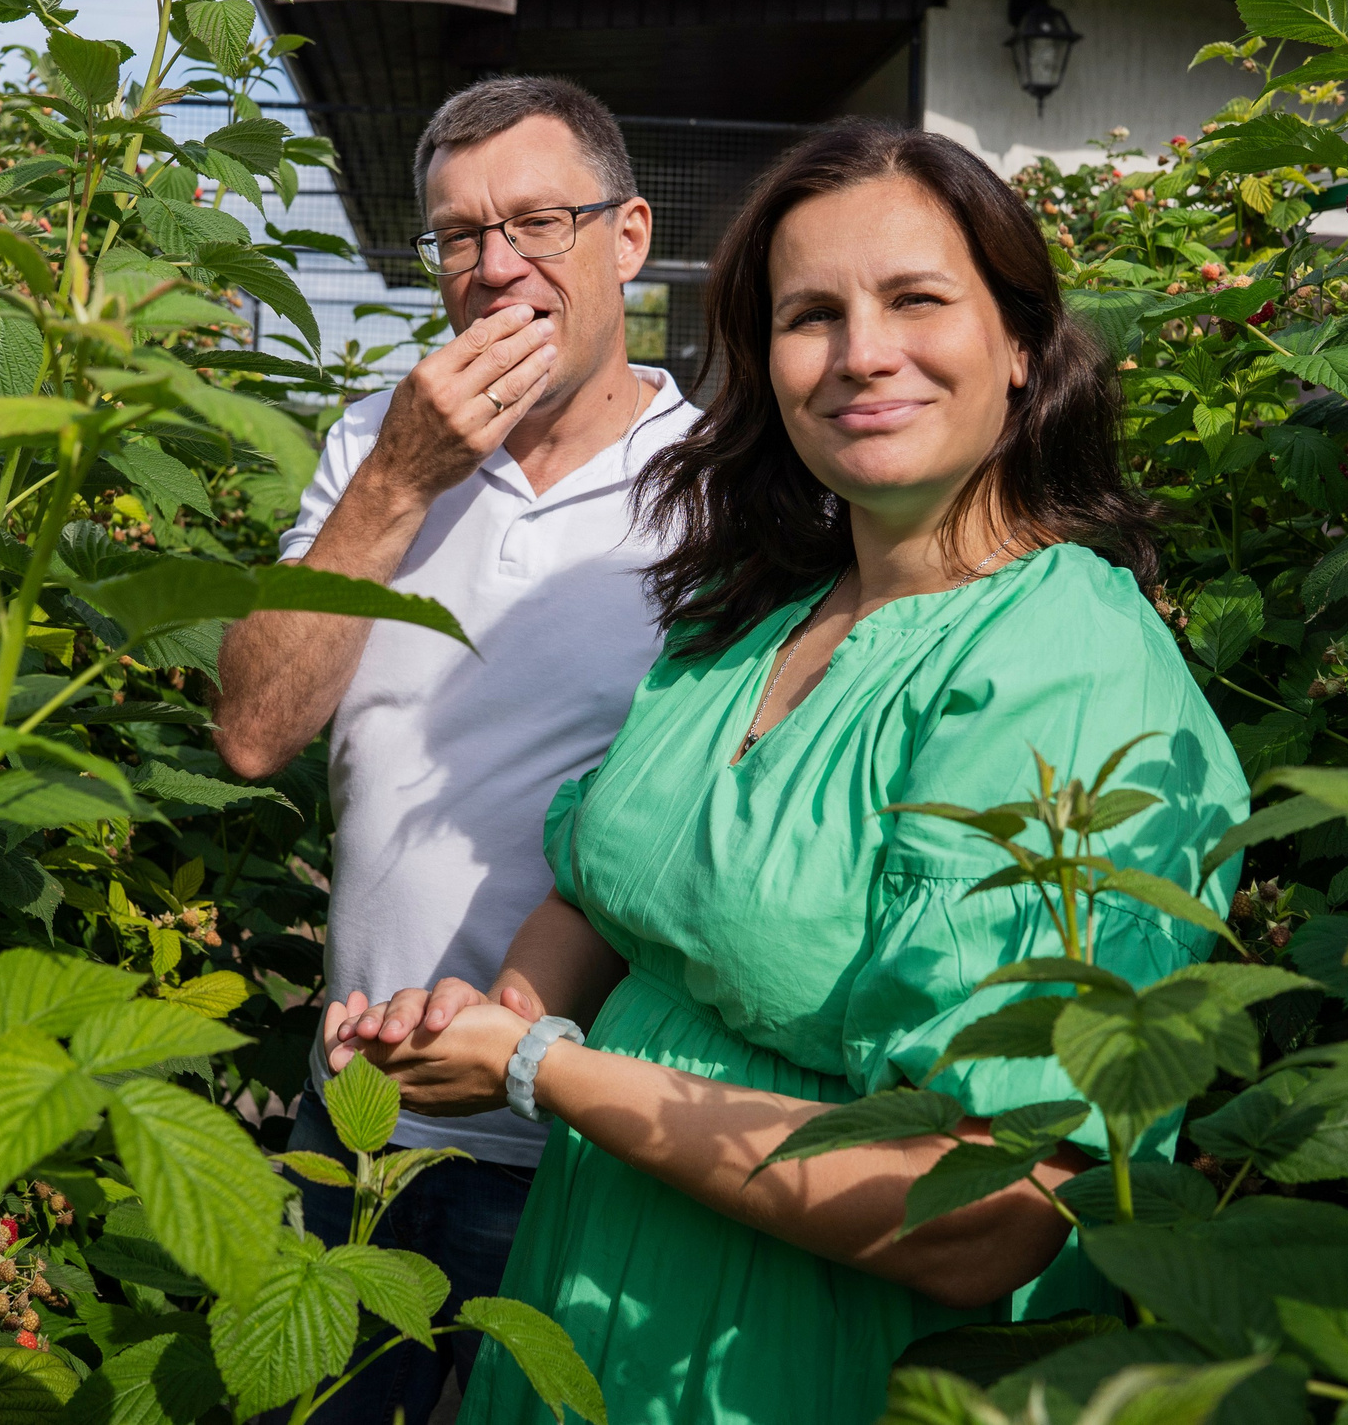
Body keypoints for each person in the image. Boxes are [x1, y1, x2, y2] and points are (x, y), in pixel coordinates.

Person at [325, 122, 1251, 1425]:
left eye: (918, 299)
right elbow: (605, 888)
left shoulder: (1063, 665)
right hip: (584, 1330)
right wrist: (480, 1022)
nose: (863, 352)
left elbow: (982, 1211)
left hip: (802, 1364)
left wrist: (542, 1066)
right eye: (809, 315)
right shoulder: (751, 616)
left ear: (1023, 343)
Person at [213, 76, 700, 1423]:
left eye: (538, 222)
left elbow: (691, 816)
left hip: (573, 1144)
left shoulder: (717, 486)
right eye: (456, 237)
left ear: (628, 236)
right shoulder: (379, 437)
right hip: (352, 1123)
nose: (495, 269)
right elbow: (255, 729)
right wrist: (399, 481)